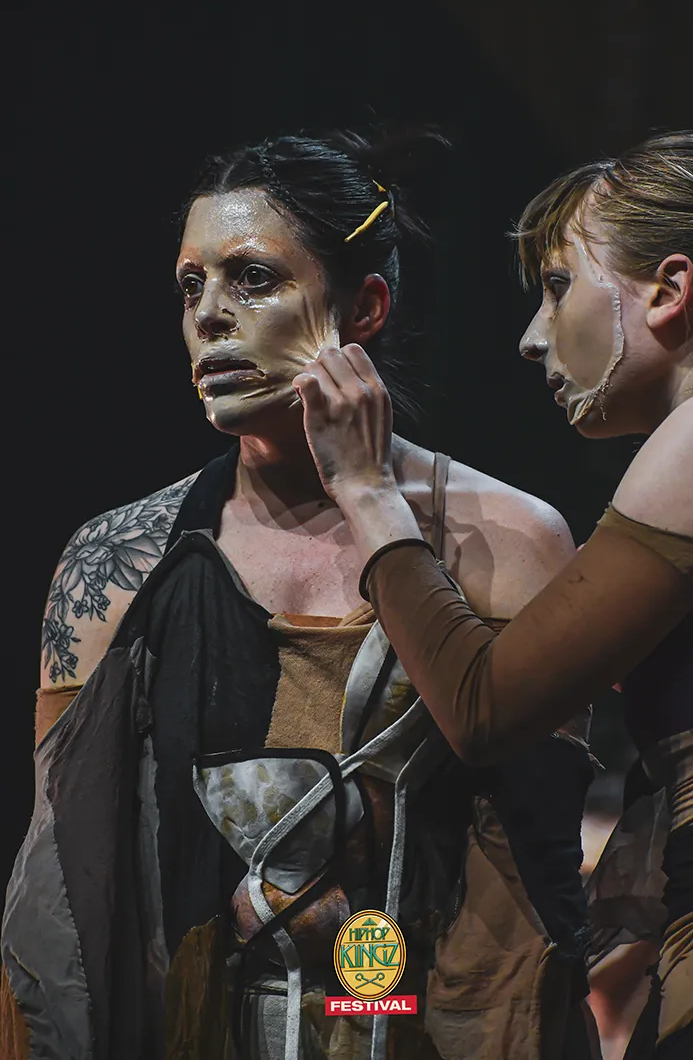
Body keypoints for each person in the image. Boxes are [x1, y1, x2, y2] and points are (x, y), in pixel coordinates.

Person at [1, 130, 597, 1060]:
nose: (210, 315)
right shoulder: (117, 562)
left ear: (365, 306)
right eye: (190, 286)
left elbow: (533, 879)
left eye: (253, 278)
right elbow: (65, 900)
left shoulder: (510, 539)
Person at [291, 129, 693, 1058]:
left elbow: (486, 709)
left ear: (670, 291)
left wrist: (367, 491)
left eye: (559, 285)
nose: (533, 336)